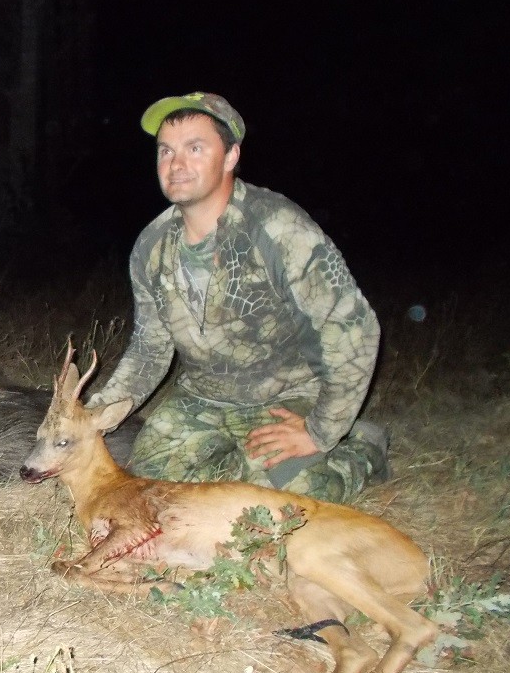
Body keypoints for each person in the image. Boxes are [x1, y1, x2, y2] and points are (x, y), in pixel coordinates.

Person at [88, 92, 388, 503]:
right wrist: (96, 413)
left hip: (286, 395)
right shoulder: (151, 245)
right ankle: (239, 465)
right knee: (150, 490)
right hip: (202, 396)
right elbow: (149, 349)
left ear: (230, 157)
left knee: (274, 505)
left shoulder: (280, 228)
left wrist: (321, 429)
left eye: (195, 148)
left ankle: (362, 447)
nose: (176, 165)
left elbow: (353, 329)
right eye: (166, 151)